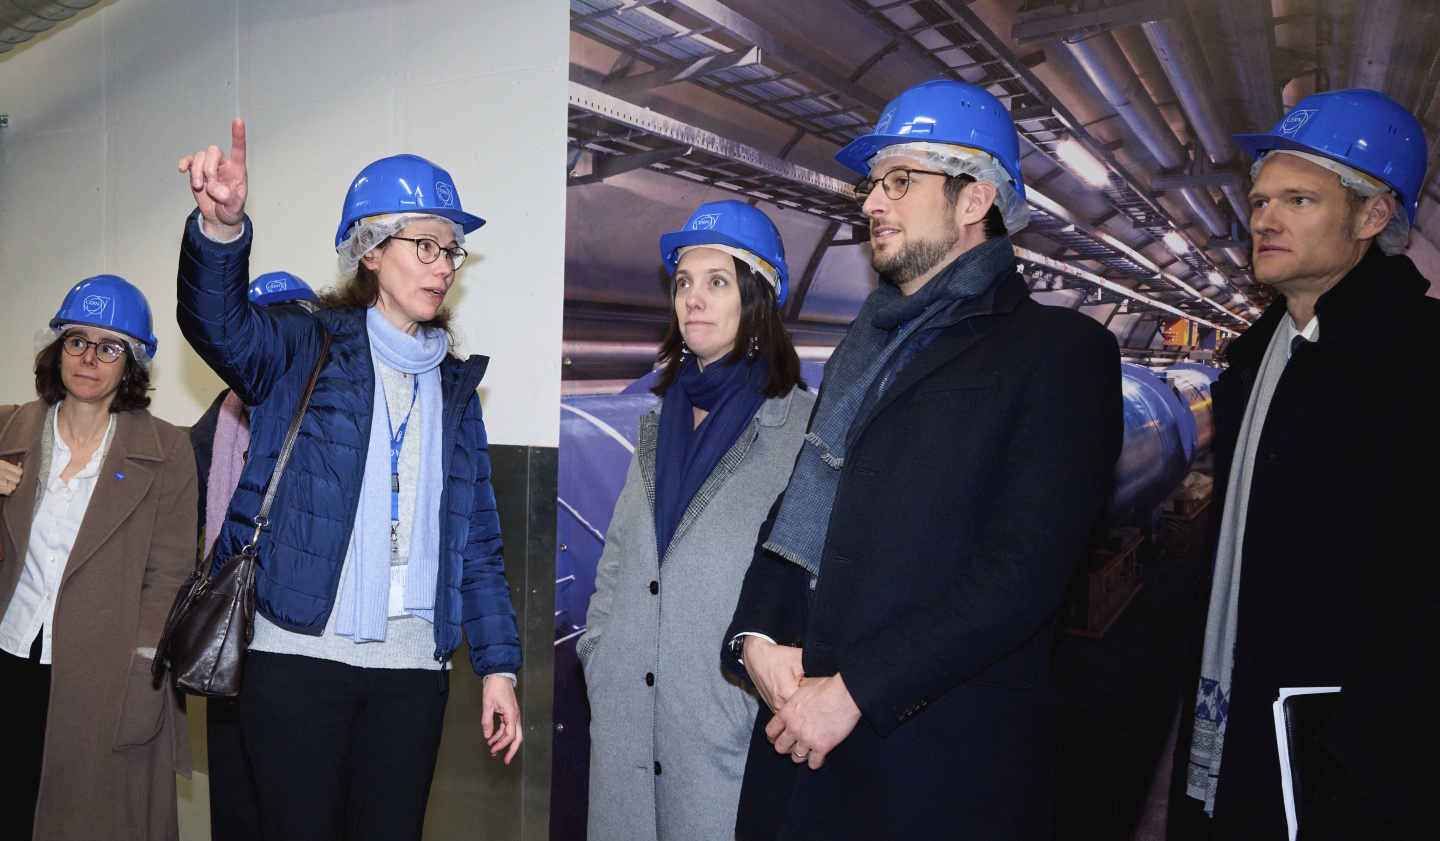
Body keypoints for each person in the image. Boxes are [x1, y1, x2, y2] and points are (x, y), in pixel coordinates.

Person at [721, 79, 1123, 839]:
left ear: (975, 199)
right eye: (873, 184)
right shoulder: (862, 348)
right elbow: (800, 507)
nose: (872, 202)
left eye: (900, 181)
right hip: (800, 743)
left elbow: (1020, 576)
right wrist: (756, 637)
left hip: (931, 767)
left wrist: (854, 691)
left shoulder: (1060, 354)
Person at [175, 119, 522, 841]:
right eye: (424, 245)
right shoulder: (303, 345)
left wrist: (499, 668)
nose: (443, 265)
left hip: (412, 673)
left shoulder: (454, 389)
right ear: (370, 248)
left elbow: (479, 548)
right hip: (299, 660)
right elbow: (218, 325)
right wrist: (223, 231)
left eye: (451, 249)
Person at [1169, 88, 1440, 841]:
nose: (1264, 219)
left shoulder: (1422, 362)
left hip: (1339, 765)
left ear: (1373, 215)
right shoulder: (1255, 360)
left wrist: (1363, 772)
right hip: (1228, 717)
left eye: (1299, 199)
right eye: (1260, 200)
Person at [579, 200, 815, 841]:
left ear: (757, 299)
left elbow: (814, 583)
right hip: (628, 721)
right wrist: (600, 655)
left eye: (717, 281)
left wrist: (753, 697)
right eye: (683, 282)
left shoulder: (801, 431)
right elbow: (621, 558)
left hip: (725, 729)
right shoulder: (659, 425)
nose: (693, 298)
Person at [0, 275, 197, 841]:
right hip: (10, 657)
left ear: (132, 364)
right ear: (58, 348)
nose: (89, 358)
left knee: (86, 820)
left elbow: (169, 577)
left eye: (110, 347)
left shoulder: (167, 450)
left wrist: (144, 675)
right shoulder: (8, 429)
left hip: (103, 678)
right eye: (78, 340)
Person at [186, 270, 316, 841]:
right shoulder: (219, 419)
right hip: (232, 632)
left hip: (303, 638)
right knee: (237, 795)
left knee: (298, 799)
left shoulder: (336, 410)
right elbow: (182, 510)